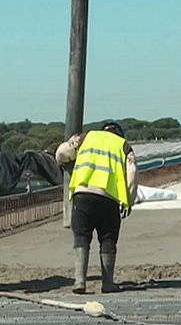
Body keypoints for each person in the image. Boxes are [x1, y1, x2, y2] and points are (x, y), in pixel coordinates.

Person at [55, 120, 138, 294]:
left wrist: (63, 162)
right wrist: (129, 201)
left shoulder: (85, 138)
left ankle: (79, 281)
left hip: (83, 194)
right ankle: (107, 283)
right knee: (108, 239)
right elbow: (132, 173)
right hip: (109, 198)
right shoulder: (124, 146)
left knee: (81, 237)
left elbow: (62, 152)